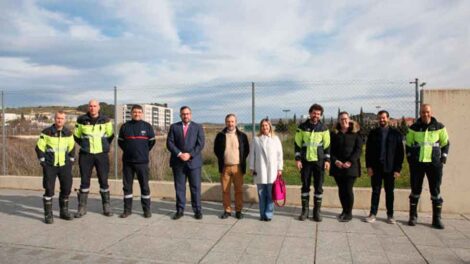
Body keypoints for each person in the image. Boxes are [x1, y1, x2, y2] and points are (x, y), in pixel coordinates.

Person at [406, 104, 449, 229]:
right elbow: (408, 144)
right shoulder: (414, 127)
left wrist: (443, 157)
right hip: (417, 164)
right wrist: (410, 159)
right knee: (415, 190)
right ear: (420, 113)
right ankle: (413, 216)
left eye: (427, 112)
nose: (425, 114)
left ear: (431, 112)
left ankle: (436, 219)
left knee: (435, 191)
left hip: (434, 164)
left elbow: (445, 143)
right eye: (423, 112)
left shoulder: (439, 127)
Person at [74, 99, 114, 218]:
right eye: (90, 106)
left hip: (101, 154)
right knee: (84, 181)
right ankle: (82, 207)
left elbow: (110, 135)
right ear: (88, 107)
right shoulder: (81, 120)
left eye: (95, 106)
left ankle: (106, 206)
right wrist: (86, 146)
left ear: (99, 107)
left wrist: (104, 146)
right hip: (86, 155)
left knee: (104, 180)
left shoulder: (105, 120)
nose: (92, 108)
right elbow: (77, 136)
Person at [35, 111, 75, 224]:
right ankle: (48, 214)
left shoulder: (68, 133)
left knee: (66, 188)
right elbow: (39, 148)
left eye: (62, 118)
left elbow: (72, 148)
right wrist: (43, 161)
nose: (59, 120)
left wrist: (71, 161)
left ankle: (64, 212)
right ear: (54, 119)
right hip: (50, 165)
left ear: (65, 120)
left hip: (64, 165)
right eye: (58, 118)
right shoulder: (46, 132)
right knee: (49, 189)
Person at [364, 110, 404, 224]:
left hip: (390, 168)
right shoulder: (373, 133)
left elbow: (400, 153)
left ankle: (390, 215)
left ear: (388, 118)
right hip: (376, 168)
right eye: (380, 118)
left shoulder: (396, 134)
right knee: (375, 191)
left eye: (384, 118)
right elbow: (368, 152)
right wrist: (369, 167)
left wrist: (397, 169)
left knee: (389, 192)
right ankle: (372, 214)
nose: (382, 120)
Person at [166, 106, 205, 220]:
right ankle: (180, 210)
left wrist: (190, 154)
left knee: (195, 187)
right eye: (183, 114)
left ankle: (197, 210)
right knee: (179, 187)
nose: (185, 116)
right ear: (180, 115)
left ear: (191, 115)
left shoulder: (198, 127)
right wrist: (179, 154)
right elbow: (169, 143)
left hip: (194, 163)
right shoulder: (174, 127)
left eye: (187, 114)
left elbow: (200, 144)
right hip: (178, 163)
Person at [118, 105, 156, 218]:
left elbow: (151, 143)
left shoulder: (147, 126)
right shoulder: (125, 127)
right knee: (127, 187)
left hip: (142, 162)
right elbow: (121, 143)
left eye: (139, 112)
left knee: (144, 186)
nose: (137, 114)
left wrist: (143, 151)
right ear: (131, 113)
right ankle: (127, 210)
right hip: (128, 162)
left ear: (142, 113)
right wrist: (130, 150)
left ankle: (146, 210)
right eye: (135, 112)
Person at [295, 103, 331, 222]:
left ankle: (317, 212)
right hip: (305, 162)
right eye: (314, 113)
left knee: (318, 187)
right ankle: (305, 211)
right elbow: (297, 144)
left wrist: (327, 160)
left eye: (318, 114)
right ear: (310, 113)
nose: (316, 115)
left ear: (320, 115)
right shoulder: (302, 127)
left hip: (319, 162)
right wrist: (298, 159)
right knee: (305, 186)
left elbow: (327, 146)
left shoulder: (324, 128)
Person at [214, 113, 250, 219]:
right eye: (228, 121)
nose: (230, 123)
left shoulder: (242, 136)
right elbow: (216, 150)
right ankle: (227, 210)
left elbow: (246, 150)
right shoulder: (220, 135)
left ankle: (238, 211)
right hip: (225, 167)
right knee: (225, 190)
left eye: (232, 121)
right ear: (225, 122)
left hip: (238, 167)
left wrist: (240, 160)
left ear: (236, 122)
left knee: (238, 190)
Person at [330, 111, 362, 222]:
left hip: (351, 167)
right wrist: (335, 161)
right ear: (338, 121)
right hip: (338, 166)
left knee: (348, 189)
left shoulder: (356, 134)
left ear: (349, 119)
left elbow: (358, 150)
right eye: (341, 119)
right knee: (341, 189)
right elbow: (330, 151)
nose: (344, 120)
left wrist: (350, 161)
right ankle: (344, 210)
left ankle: (349, 213)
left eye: (346, 118)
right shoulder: (334, 134)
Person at [249, 118, 283, 221]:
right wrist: (251, 167)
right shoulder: (256, 139)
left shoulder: (275, 139)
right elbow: (252, 155)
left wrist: (279, 168)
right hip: (260, 170)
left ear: (270, 126)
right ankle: (262, 214)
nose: (265, 127)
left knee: (270, 193)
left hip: (272, 170)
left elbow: (279, 155)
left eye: (266, 125)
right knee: (261, 193)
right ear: (261, 127)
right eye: (263, 126)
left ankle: (268, 214)